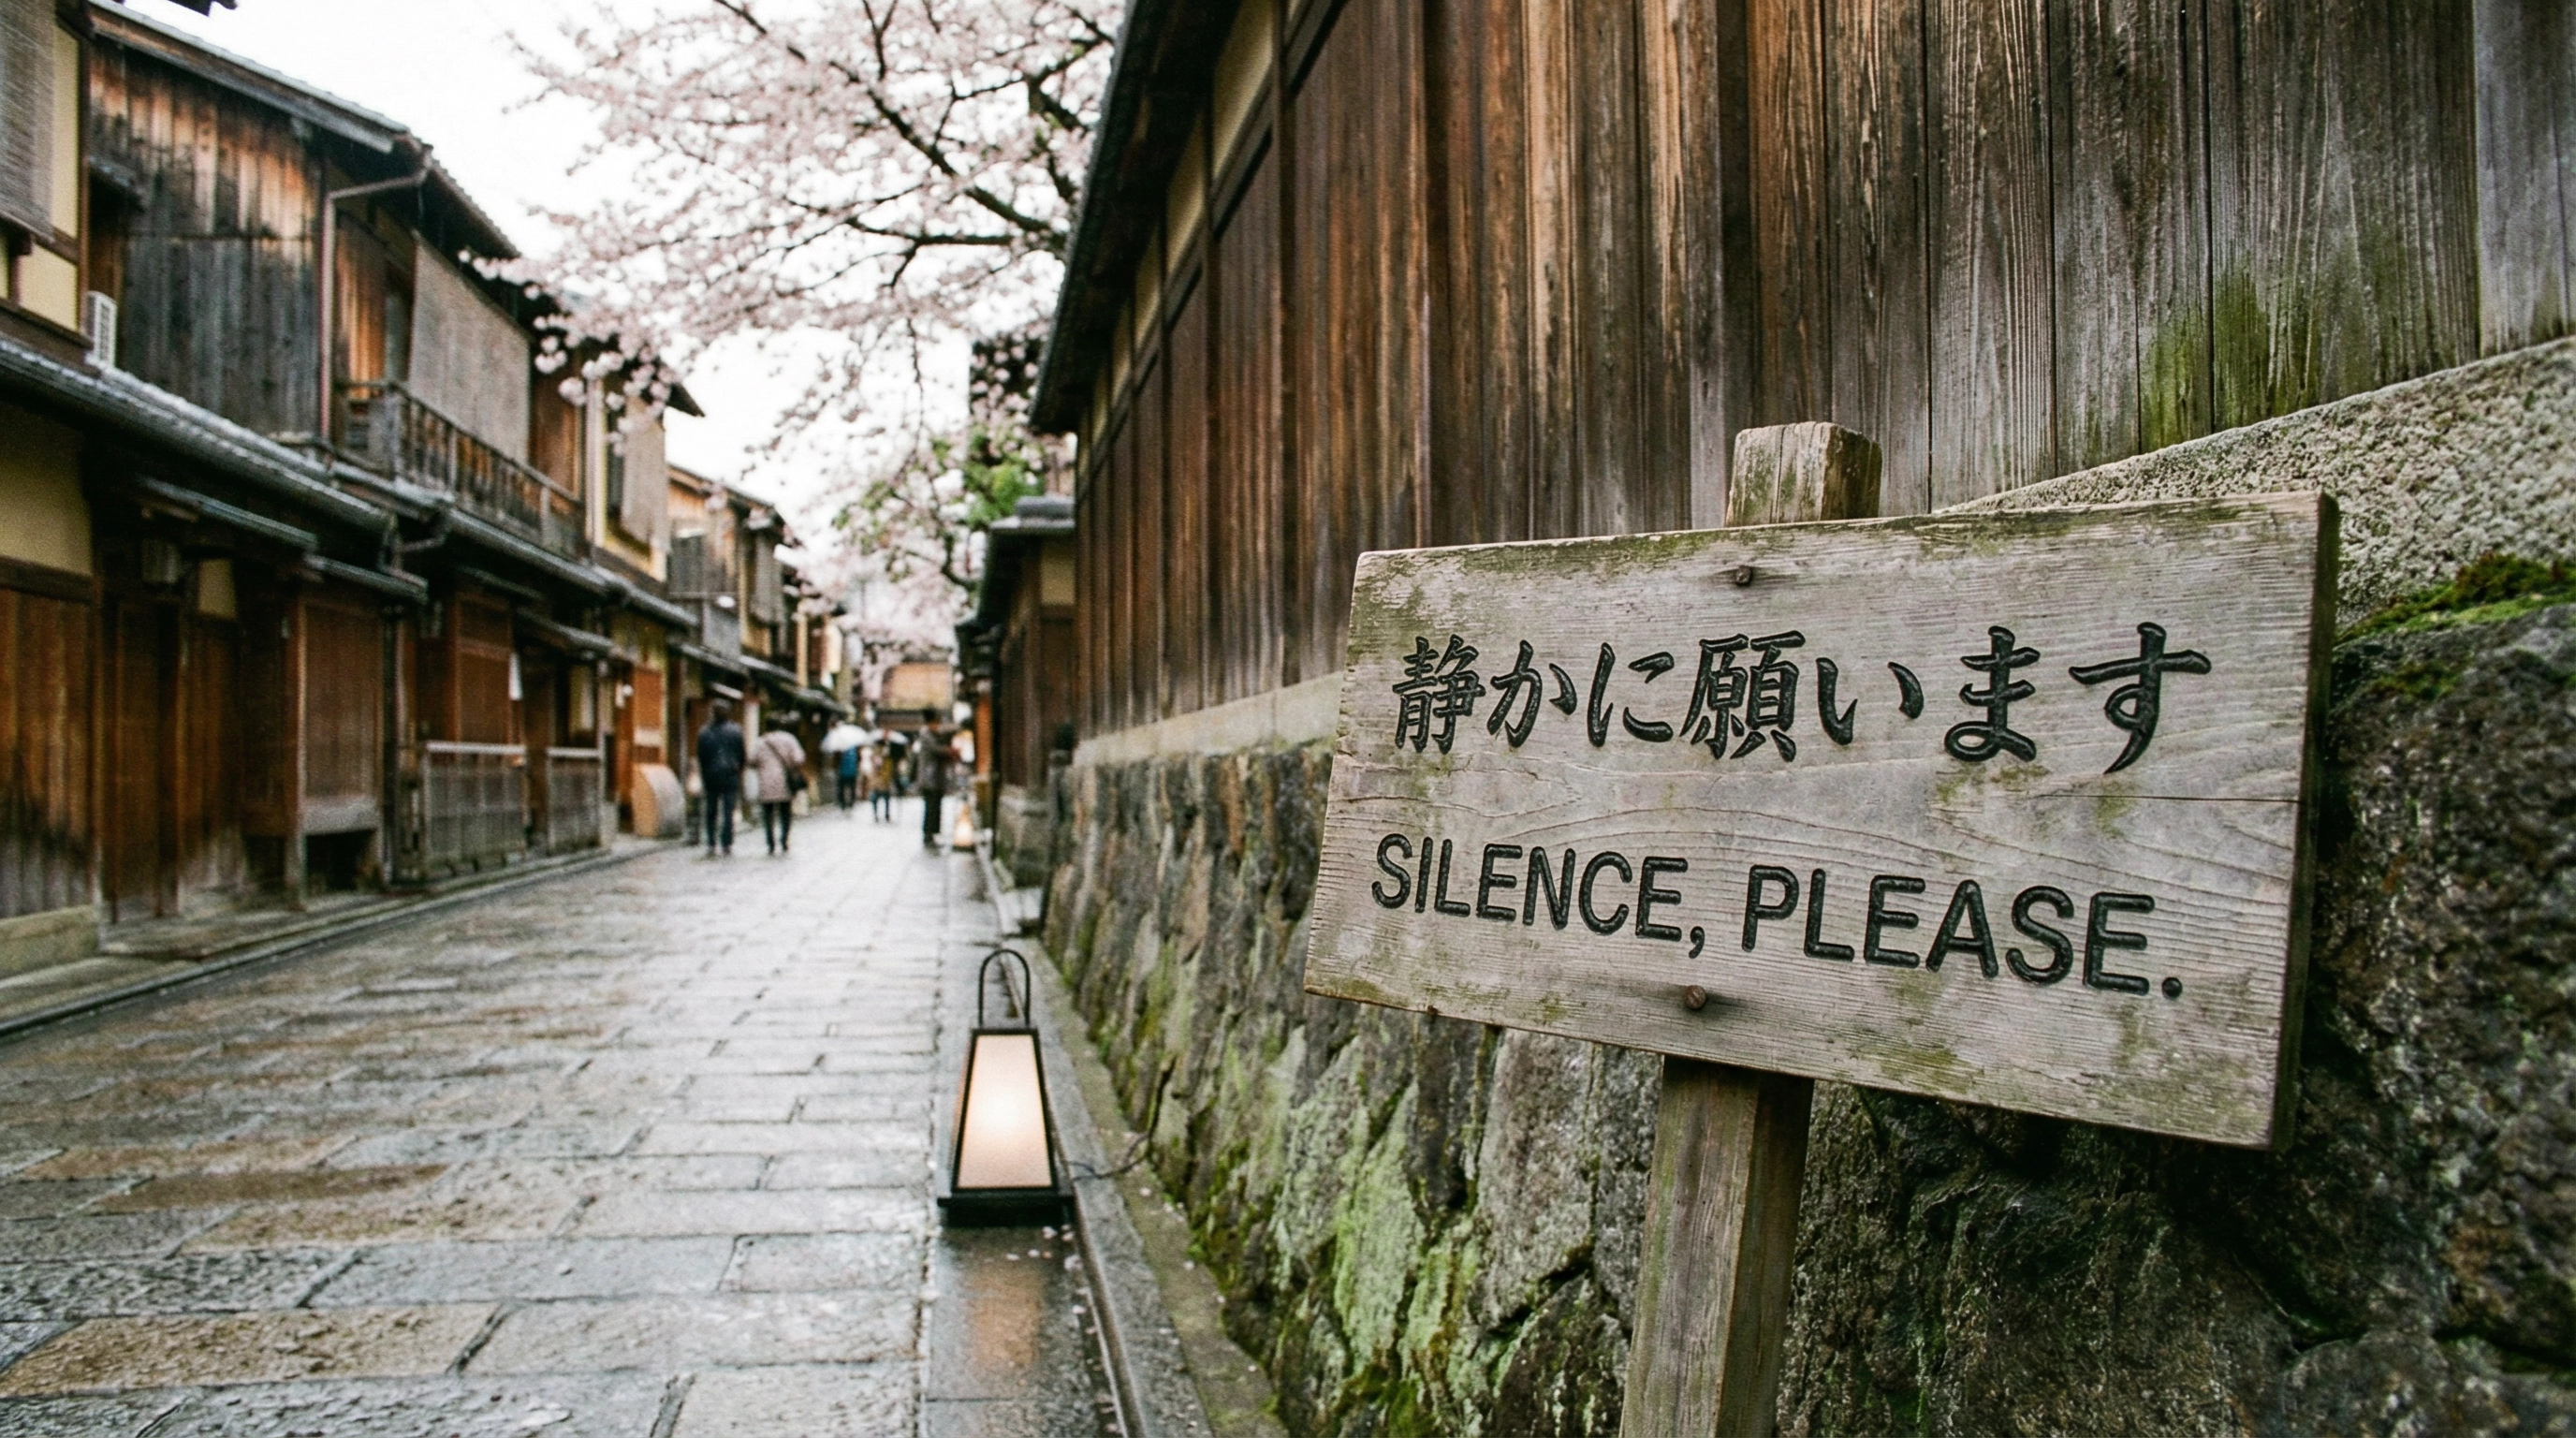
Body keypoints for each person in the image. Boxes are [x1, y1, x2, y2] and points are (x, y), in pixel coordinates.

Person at [695, 701, 746, 856]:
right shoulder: (736, 730)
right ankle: (726, 843)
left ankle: (711, 842)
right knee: (728, 811)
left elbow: (701, 756)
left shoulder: (704, 732)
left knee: (711, 810)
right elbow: (742, 755)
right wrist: (738, 770)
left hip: (711, 775)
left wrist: (704, 773)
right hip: (730, 774)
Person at [750, 721, 808, 855]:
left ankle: (770, 843)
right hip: (785, 782)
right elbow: (799, 758)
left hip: (766, 782)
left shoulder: (760, 742)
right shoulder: (789, 739)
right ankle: (784, 840)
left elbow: (751, 760)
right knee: (785, 812)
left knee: (768, 814)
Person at [915, 729, 952, 848]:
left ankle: (930, 836)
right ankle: (928, 836)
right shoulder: (928, 738)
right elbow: (938, 750)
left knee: (933, 808)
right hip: (930, 780)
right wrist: (948, 750)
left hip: (934, 780)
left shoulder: (930, 737)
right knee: (931, 809)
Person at [863, 742, 893, 822]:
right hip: (876, 784)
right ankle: (876, 815)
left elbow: (888, 772)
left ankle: (886, 815)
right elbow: (870, 771)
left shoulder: (887, 760)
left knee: (886, 800)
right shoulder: (873, 758)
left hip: (883, 783)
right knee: (875, 800)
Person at [835, 741, 860, 814]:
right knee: (850, 789)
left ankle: (843, 803)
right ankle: (850, 803)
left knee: (842, 789)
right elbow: (858, 760)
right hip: (851, 773)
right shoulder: (854, 749)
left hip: (844, 773)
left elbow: (836, 761)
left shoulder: (840, 750)